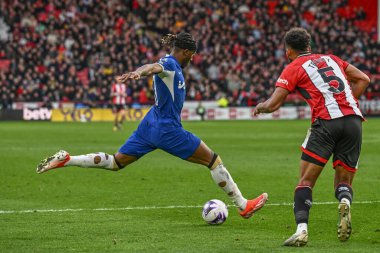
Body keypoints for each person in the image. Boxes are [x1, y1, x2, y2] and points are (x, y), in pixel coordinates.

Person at [37, 32, 268, 219]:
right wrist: (138, 73)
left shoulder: (172, 65)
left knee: (117, 162)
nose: (192, 59)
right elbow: (152, 67)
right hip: (167, 128)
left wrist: (140, 72)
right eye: (192, 55)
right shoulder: (170, 63)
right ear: (186, 52)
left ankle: (68, 159)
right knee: (213, 160)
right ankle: (243, 204)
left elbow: (153, 67)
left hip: (150, 123)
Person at [254, 27, 370, 246]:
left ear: (288, 51)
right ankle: (345, 201)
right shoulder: (331, 58)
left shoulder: (294, 66)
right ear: (309, 46)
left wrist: (260, 107)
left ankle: (301, 230)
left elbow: (274, 103)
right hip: (354, 120)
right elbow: (363, 79)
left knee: (305, 181)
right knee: (343, 181)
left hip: (326, 123)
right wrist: (347, 103)